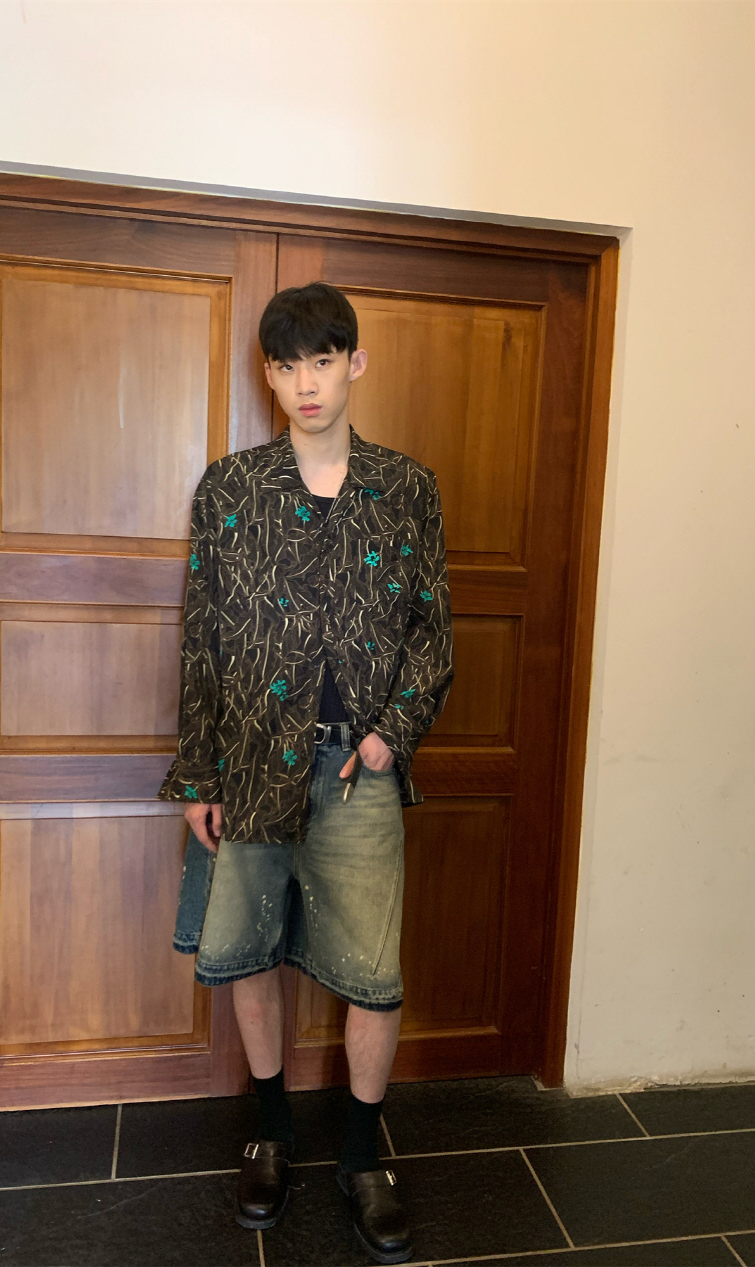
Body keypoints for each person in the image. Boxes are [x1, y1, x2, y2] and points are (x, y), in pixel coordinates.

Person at [159, 281, 453, 1264]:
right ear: (269, 376)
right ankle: (273, 1134)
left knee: (372, 971)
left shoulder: (406, 488)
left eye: (322, 361)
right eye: (286, 366)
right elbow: (202, 635)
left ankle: (363, 1156)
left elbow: (431, 634)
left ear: (353, 363)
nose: (305, 384)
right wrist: (198, 774)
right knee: (250, 950)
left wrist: (390, 736)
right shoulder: (231, 487)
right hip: (250, 759)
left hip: (358, 769)